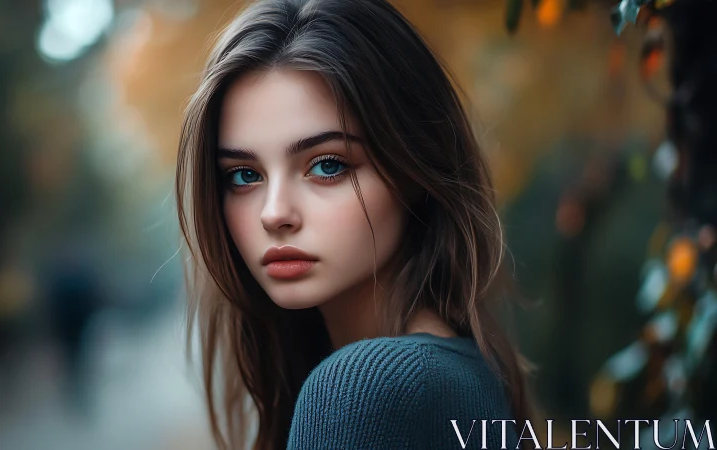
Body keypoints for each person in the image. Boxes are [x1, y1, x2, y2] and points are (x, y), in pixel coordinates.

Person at [176, 0, 535, 448]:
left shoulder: (365, 390)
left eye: (328, 165)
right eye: (244, 175)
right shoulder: (470, 372)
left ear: (415, 170)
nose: (274, 213)